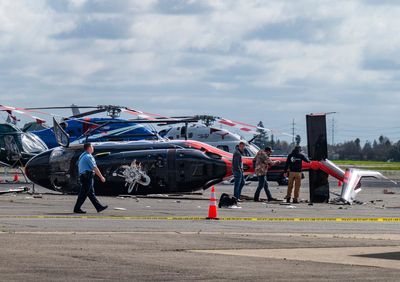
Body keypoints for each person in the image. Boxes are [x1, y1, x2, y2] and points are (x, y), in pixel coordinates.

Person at [73, 143, 108, 214]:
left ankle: (99, 207)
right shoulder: (88, 157)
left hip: (84, 176)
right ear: (89, 148)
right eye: (92, 147)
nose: (93, 148)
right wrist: (101, 177)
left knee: (91, 193)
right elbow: (95, 168)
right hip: (87, 177)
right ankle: (77, 208)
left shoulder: (82, 155)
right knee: (83, 193)